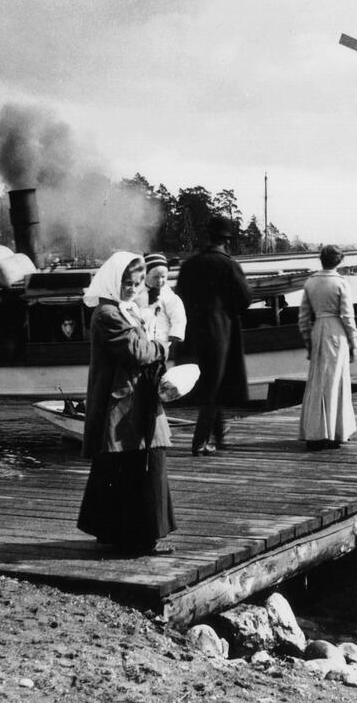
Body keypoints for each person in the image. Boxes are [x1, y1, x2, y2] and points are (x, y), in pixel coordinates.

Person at [76, 252, 175, 555]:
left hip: (127, 398)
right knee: (145, 463)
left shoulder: (122, 310)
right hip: (124, 402)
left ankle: (110, 531)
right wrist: (160, 346)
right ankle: (143, 537)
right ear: (112, 281)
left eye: (136, 283)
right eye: (126, 283)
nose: (132, 289)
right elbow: (135, 352)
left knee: (117, 466)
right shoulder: (108, 314)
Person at [174, 216, 253, 456]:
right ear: (227, 240)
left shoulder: (189, 265)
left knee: (208, 383)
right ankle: (199, 442)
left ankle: (219, 437)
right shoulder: (229, 265)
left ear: (208, 237)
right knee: (213, 386)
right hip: (220, 334)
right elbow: (245, 299)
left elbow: (179, 298)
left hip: (192, 333)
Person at [297, 245, 357, 449]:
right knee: (335, 381)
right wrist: (354, 342)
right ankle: (334, 432)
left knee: (317, 382)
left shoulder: (311, 282)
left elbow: (304, 317)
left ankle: (315, 432)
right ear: (338, 262)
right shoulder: (341, 283)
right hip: (335, 331)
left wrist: (307, 340)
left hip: (318, 330)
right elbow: (348, 316)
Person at [136, 253, 186, 356]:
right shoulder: (138, 293)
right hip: (142, 337)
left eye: (163, 277)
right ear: (145, 275)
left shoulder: (168, 296)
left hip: (162, 338)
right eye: (155, 277)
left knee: (159, 362)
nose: (160, 281)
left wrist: (176, 333)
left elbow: (178, 316)